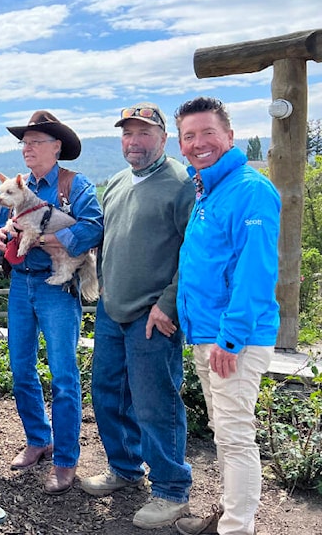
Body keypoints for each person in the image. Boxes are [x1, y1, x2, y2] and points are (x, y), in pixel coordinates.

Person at [80, 103, 195, 528]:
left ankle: (171, 489)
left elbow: (193, 253)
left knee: (155, 405)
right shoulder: (116, 182)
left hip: (153, 316)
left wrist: (168, 303)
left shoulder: (181, 184)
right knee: (107, 394)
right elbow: (107, 241)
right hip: (113, 310)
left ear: (163, 139)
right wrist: (106, 285)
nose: (134, 141)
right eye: (128, 133)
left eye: (144, 133)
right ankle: (125, 469)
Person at [172, 97, 280, 535]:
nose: (199, 143)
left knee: (235, 436)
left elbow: (256, 271)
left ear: (230, 136)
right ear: (180, 144)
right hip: (207, 333)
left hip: (234, 338)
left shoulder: (250, 190)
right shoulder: (207, 190)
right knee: (224, 432)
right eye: (189, 136)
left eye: (208, 133)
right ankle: (232, 515)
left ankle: (237, 528)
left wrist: (231, 338)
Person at [0, 110, 103, 495]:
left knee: (64, 376)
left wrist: (53, 242)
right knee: (21, 368)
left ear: (57, 147)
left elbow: (94, 227)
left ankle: (66, 460)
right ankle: (39, 439)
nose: (28, 148)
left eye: (36, 142)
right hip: (22, 284)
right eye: (25, 142)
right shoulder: (17, 189)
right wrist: (2, 235)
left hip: (57, 287)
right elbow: (12, 227)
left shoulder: (74, 185)